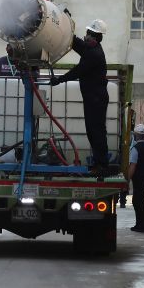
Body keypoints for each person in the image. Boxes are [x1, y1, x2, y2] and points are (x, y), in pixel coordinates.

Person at [49, 18, 110, 174]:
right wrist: (67, 26)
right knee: (93, 131)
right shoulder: (92, 49)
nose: (86, 36)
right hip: (93, 98)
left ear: (95, 37)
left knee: (96, 131)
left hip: (96, 99)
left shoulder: (94, 54)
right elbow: (78, 44)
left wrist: (59, 80)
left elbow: (77, 71)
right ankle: (99, 163)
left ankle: (101, 165)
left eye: (89, 34)